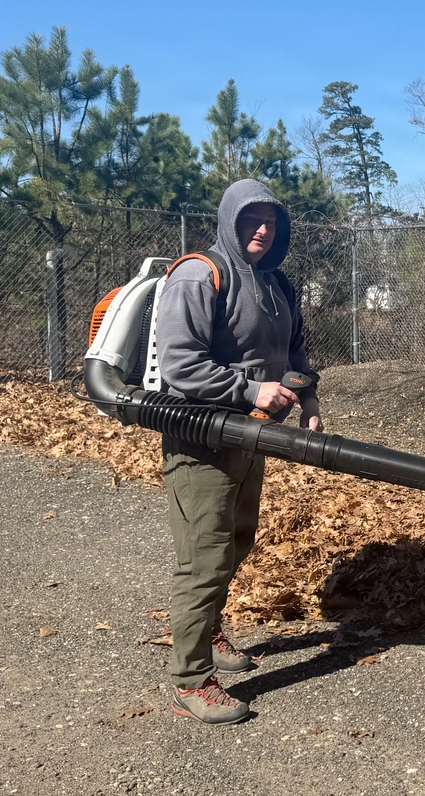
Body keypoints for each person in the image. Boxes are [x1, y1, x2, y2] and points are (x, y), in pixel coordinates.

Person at [157, 179, 321, 724]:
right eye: (251, 219)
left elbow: (293, 349)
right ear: (230, 220)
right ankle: (190, 679)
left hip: (253, 438)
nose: (261, 229)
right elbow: (181, 367)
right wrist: (253, 391)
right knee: (203, 559)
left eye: (270, 221)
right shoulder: (198, 276)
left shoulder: (277, 283)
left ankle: (209, 630)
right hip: (202, 440)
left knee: (237, 543)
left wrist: (308, 398)